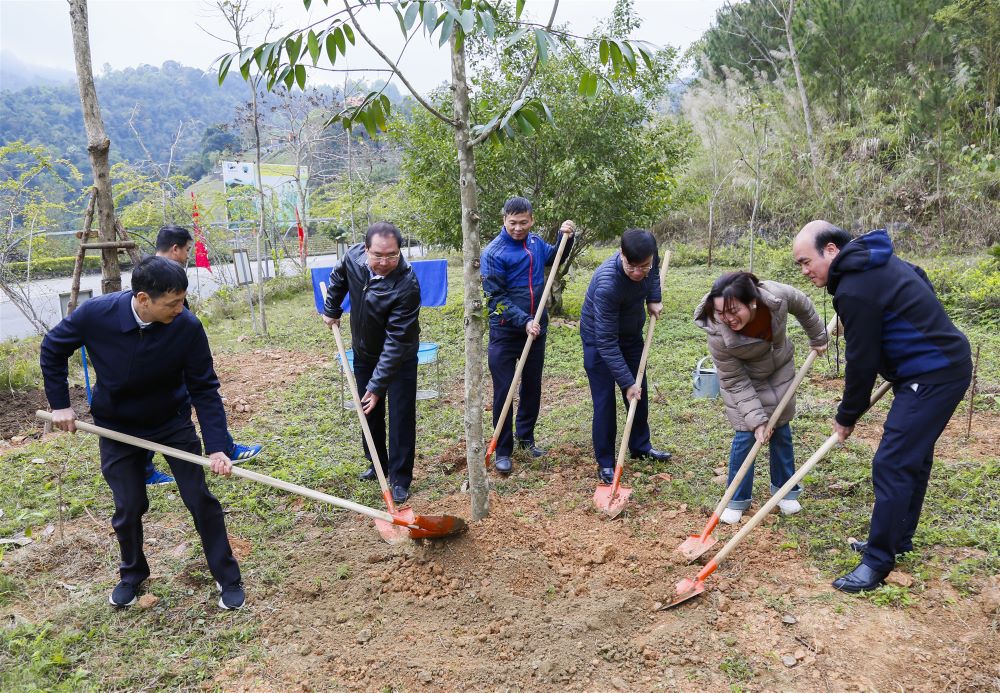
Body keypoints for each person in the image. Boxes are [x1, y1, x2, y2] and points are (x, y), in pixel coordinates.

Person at [40, 256, 245, 609]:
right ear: (143, 299)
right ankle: (132, 575)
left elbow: (204, 388)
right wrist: (60, 404)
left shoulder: (187, 327)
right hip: (117, 425)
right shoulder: (96, 315)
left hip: (171, 420)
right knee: (129, 506)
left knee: (199, 498)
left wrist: (216, 446)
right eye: (173, 303)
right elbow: (53, 348)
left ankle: (228, 577)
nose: (181, 309)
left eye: (183, 300)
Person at [793, 221, 972, 593]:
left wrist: (847, 416)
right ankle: (898, 539)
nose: (804, 270)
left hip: (934, 374)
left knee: (892, 462)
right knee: (913, 457)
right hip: (934, 367)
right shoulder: (873, 260)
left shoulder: (857, 287)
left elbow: (861, 361)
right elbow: (918, 277)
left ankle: (877, 561)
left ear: (831, 250)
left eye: (806, 261)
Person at [694, 271, 828, 524]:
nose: (728, 318)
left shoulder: (776, 296)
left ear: (752, 302)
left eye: (734, 311)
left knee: (781, 428)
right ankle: (736, 499)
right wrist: (757, 420)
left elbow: (804, 305)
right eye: (722, 312)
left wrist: (818, 336)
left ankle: (785, 491)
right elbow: (734, 381)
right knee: (746, 433)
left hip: (779, 367)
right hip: (744, 378)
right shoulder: (717, 331)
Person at [142, 225, 262, 487]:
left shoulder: (151, 270)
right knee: (165, 406)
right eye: (186, 250)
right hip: (164, 360)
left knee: (196, 397)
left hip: (178, 353)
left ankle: (222, 445)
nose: (187, 256)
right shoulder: (155, 279)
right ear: (175, 248)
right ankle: (145, 467)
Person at [322, 222, 421, 503]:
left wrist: (378, 386)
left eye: (392, 255)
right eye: (378, 255)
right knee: (369, 412)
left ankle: (400, 478)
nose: (385, 262)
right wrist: (332, 308)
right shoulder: (353, 258)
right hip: (364, 352)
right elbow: (339, 277)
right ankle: (377, 464)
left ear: (400, 251)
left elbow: (397, 340)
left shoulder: (407, 284)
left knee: (401, 415)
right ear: (366, 250)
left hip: (399, 357)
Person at [481, 197, 575, 475]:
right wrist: (524, 321)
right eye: (513, 223)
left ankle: (526, 438)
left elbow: (555, 255)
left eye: (523, 222)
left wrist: (565, 237)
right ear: (504, 221)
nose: (518, 228)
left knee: (532, 386)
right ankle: (503, 450)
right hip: (506, 330)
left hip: (536, 329)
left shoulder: (535, 244)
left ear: (531, 220)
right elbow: (495, 298)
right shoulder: (494, 253)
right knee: (505, 390)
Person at [579, 229, 673, 484]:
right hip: (599, 340)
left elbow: (653, 275)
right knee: (605, 400)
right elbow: (607, 342)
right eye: (632, 267)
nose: (638, 272)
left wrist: (654, 298)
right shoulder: (608, 283)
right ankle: (606, 462)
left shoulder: (647, 262)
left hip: (630, 335)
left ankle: (641, 447)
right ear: (622, 255)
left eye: (644, 266)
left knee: (638, 393)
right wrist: (626, 382)